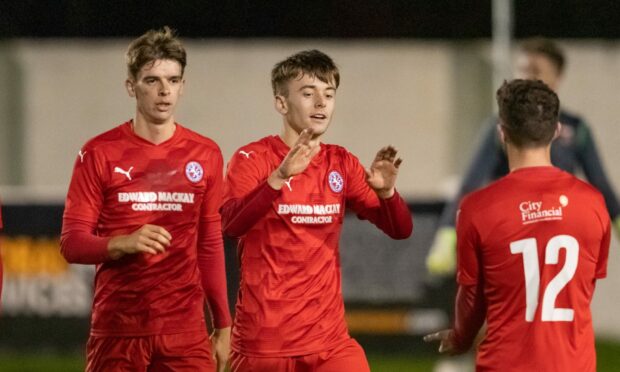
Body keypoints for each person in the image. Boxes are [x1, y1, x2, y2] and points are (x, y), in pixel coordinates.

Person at [221, 49, 413, 372]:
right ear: (281, 104)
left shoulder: (341, 163)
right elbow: (230, 225)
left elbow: (400, 229)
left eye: (329, 94)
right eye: (308, 94)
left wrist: (388, 193)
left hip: (330, 343)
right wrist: (279, 178)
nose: (321, 103)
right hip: (264, 345)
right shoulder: (251, 159)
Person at [60, 26, 231, 372]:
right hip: (118, 330)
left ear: (183, 86)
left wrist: (224, 324)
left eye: (172, 80)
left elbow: (209, 244)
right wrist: (124, 243)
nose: (164, 90)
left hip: (185, 332)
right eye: (152, 80)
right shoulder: (99, 153)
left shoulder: (206, 153)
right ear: (131, 86)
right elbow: (72, 243)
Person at [424, 79, 610, 371]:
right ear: (557, 131)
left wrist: (460, 338)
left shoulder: (476, 208)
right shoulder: (593, 203)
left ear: (501, 133)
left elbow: (471, 297)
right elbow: (586, 284)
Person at [426, 37, 620, 275]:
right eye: (522, 69)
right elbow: (470, 184)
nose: (527, 77)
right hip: (514, 233)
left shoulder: (575, 128)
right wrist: (447, 235)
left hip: (559, 233)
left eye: (536, 70)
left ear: (557, 77)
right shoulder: (499, 126)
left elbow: (602, 187)